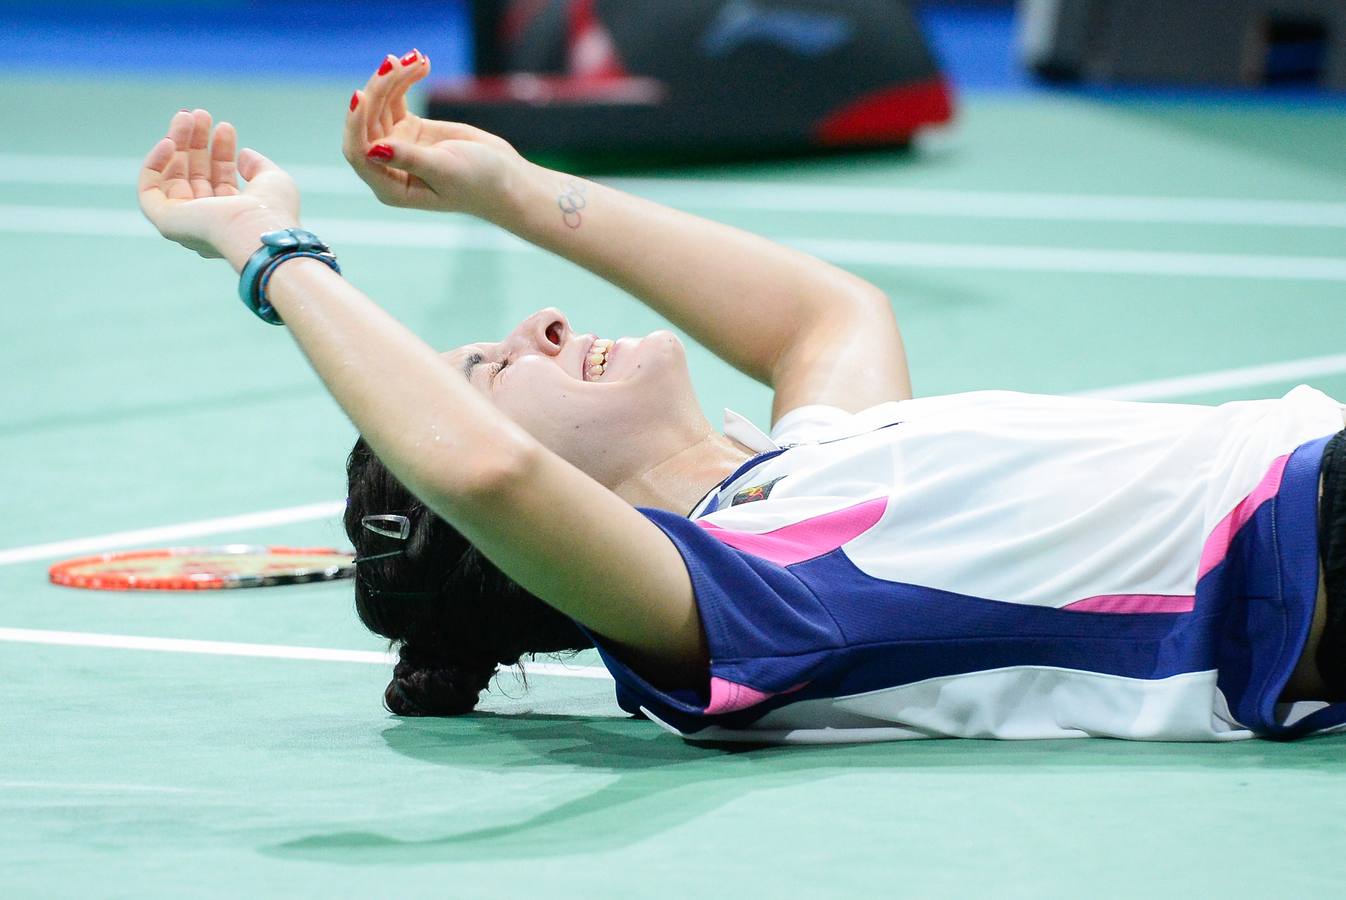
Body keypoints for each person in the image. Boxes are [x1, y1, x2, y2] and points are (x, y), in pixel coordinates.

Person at [139, 50, 1346, 743]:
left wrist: (508, 190)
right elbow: (480, 473)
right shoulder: (754, 603)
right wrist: (271, 253)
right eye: (495, 368)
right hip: (1318, 555)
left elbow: (827, 316)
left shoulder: (803, 470)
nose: (542, 325)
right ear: (535, 534)